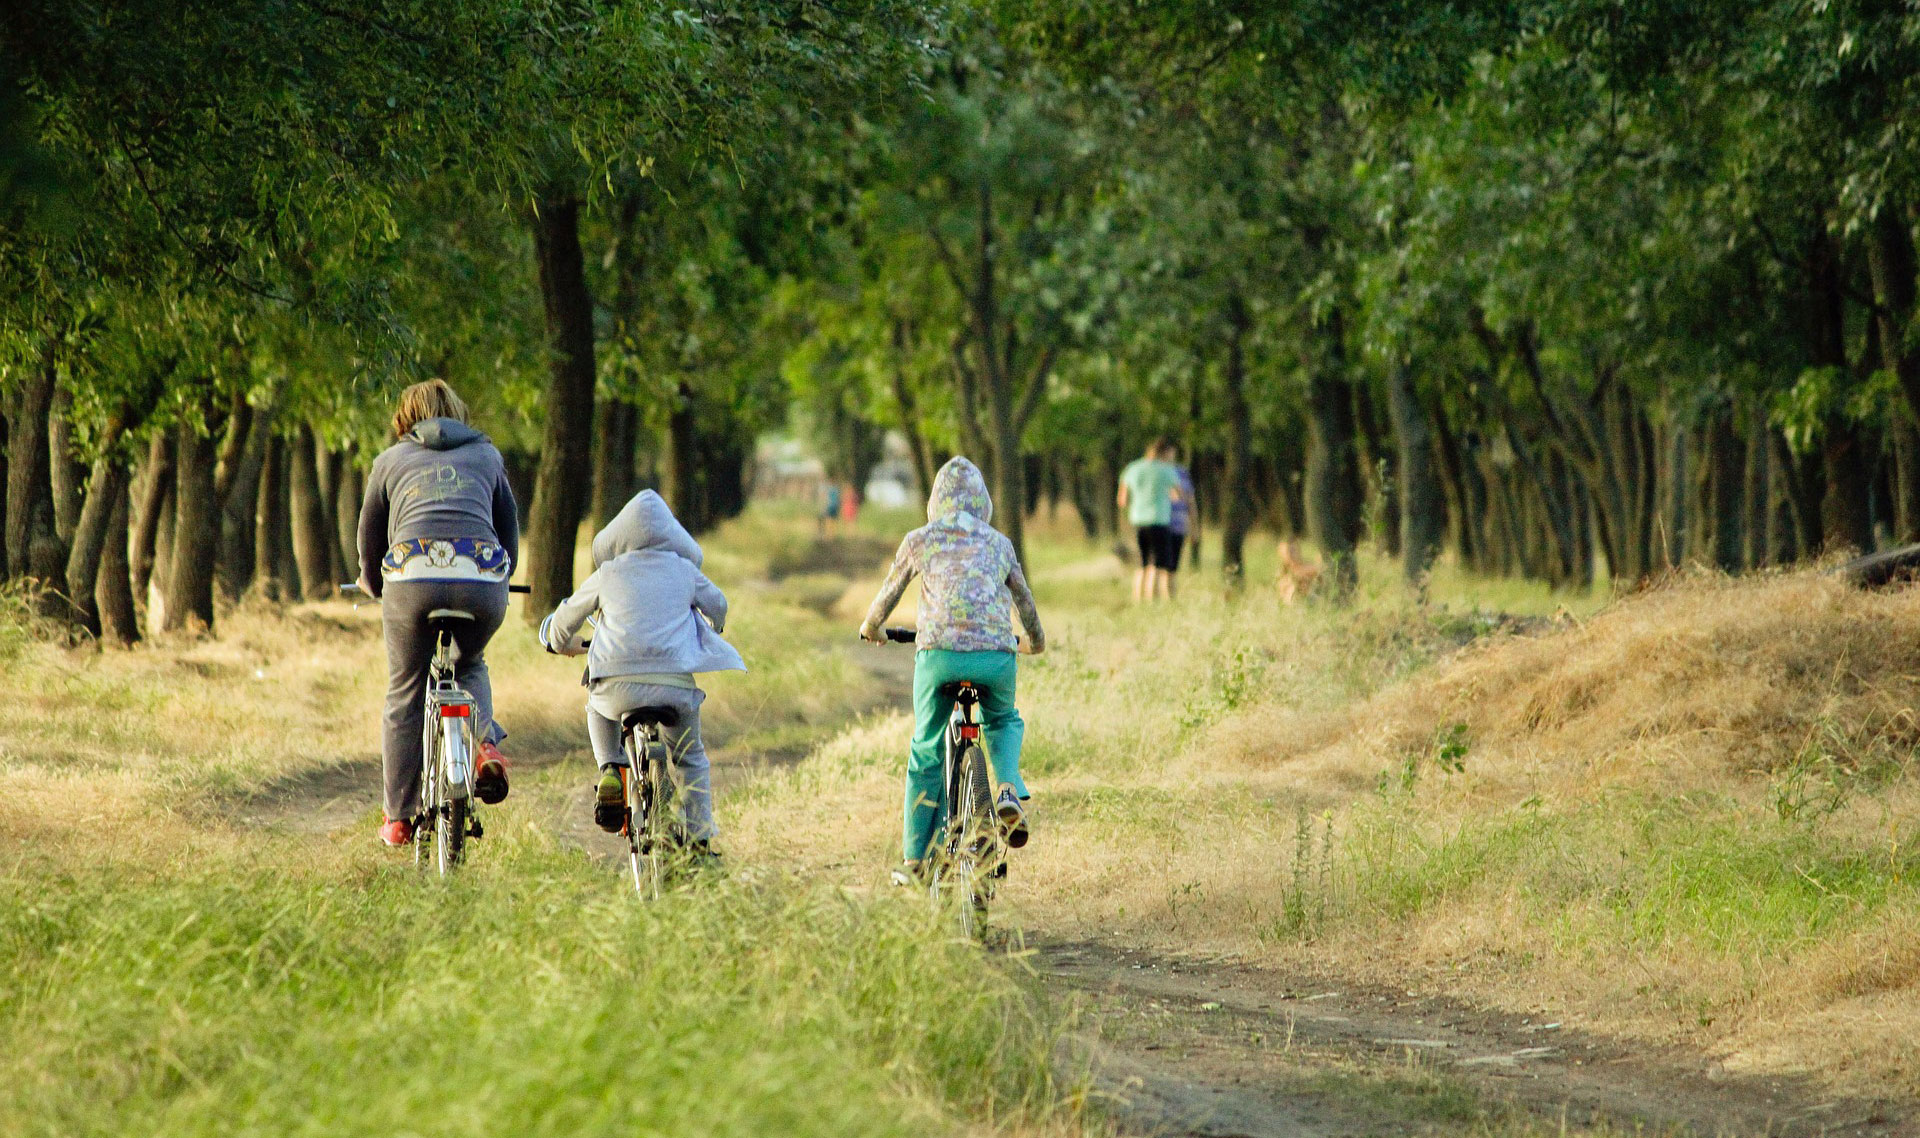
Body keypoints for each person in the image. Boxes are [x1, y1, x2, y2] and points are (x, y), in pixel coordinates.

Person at [859, 457, 1045, 883]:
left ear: (934, 501)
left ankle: (914, 859)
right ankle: (1006, 789)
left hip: (938, 657)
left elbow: (887, 595)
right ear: (984, 503)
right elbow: (1026, 603)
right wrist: (1036, 642)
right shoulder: (1000, 543)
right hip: (996, 657)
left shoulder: (920, 539)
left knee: (926, 746)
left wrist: (872, 628)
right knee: (1002, 719)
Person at [356, 379, 517, 848]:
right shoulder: (487, 456)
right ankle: (486, 745)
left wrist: (372, 582)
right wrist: (501, 577)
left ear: (406, 418)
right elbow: (508, 530)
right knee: (470, 663)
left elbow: (370, 539)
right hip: (481, 578)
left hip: (411, 578)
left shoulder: (389, 462)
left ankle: (400, 816)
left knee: (406, 687)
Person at [538, 490, 744, 853]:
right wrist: (713, 625)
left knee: (597, 707)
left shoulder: (609, 572)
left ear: (618, 537)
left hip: (616, 687)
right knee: (691, 758)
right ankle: (698, 839)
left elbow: (564, 621)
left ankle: (609, 770)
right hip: (673, 686)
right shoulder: (684, 570)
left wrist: (556, 641)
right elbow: (720, 607)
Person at [1117, 437, 1182, 602]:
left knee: (1142, 563)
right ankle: (1154, 600)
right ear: (1164, 453)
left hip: (1138, 520)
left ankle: (1138, 600)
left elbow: (1122, 500)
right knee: (1159, 565)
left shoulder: (1132, 469)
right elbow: (1177, 496)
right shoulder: (1166, 470)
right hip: (1159, 520)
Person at [1161, 441, 1199, 595]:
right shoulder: (1155, 472)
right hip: (1159, 523)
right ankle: (1159, 599)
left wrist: (1194, 526)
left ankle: (1170, 598)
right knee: (1159, 566)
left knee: (1172, 567)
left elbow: (1190, 500)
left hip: (1178, 524)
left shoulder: (1182, 473)